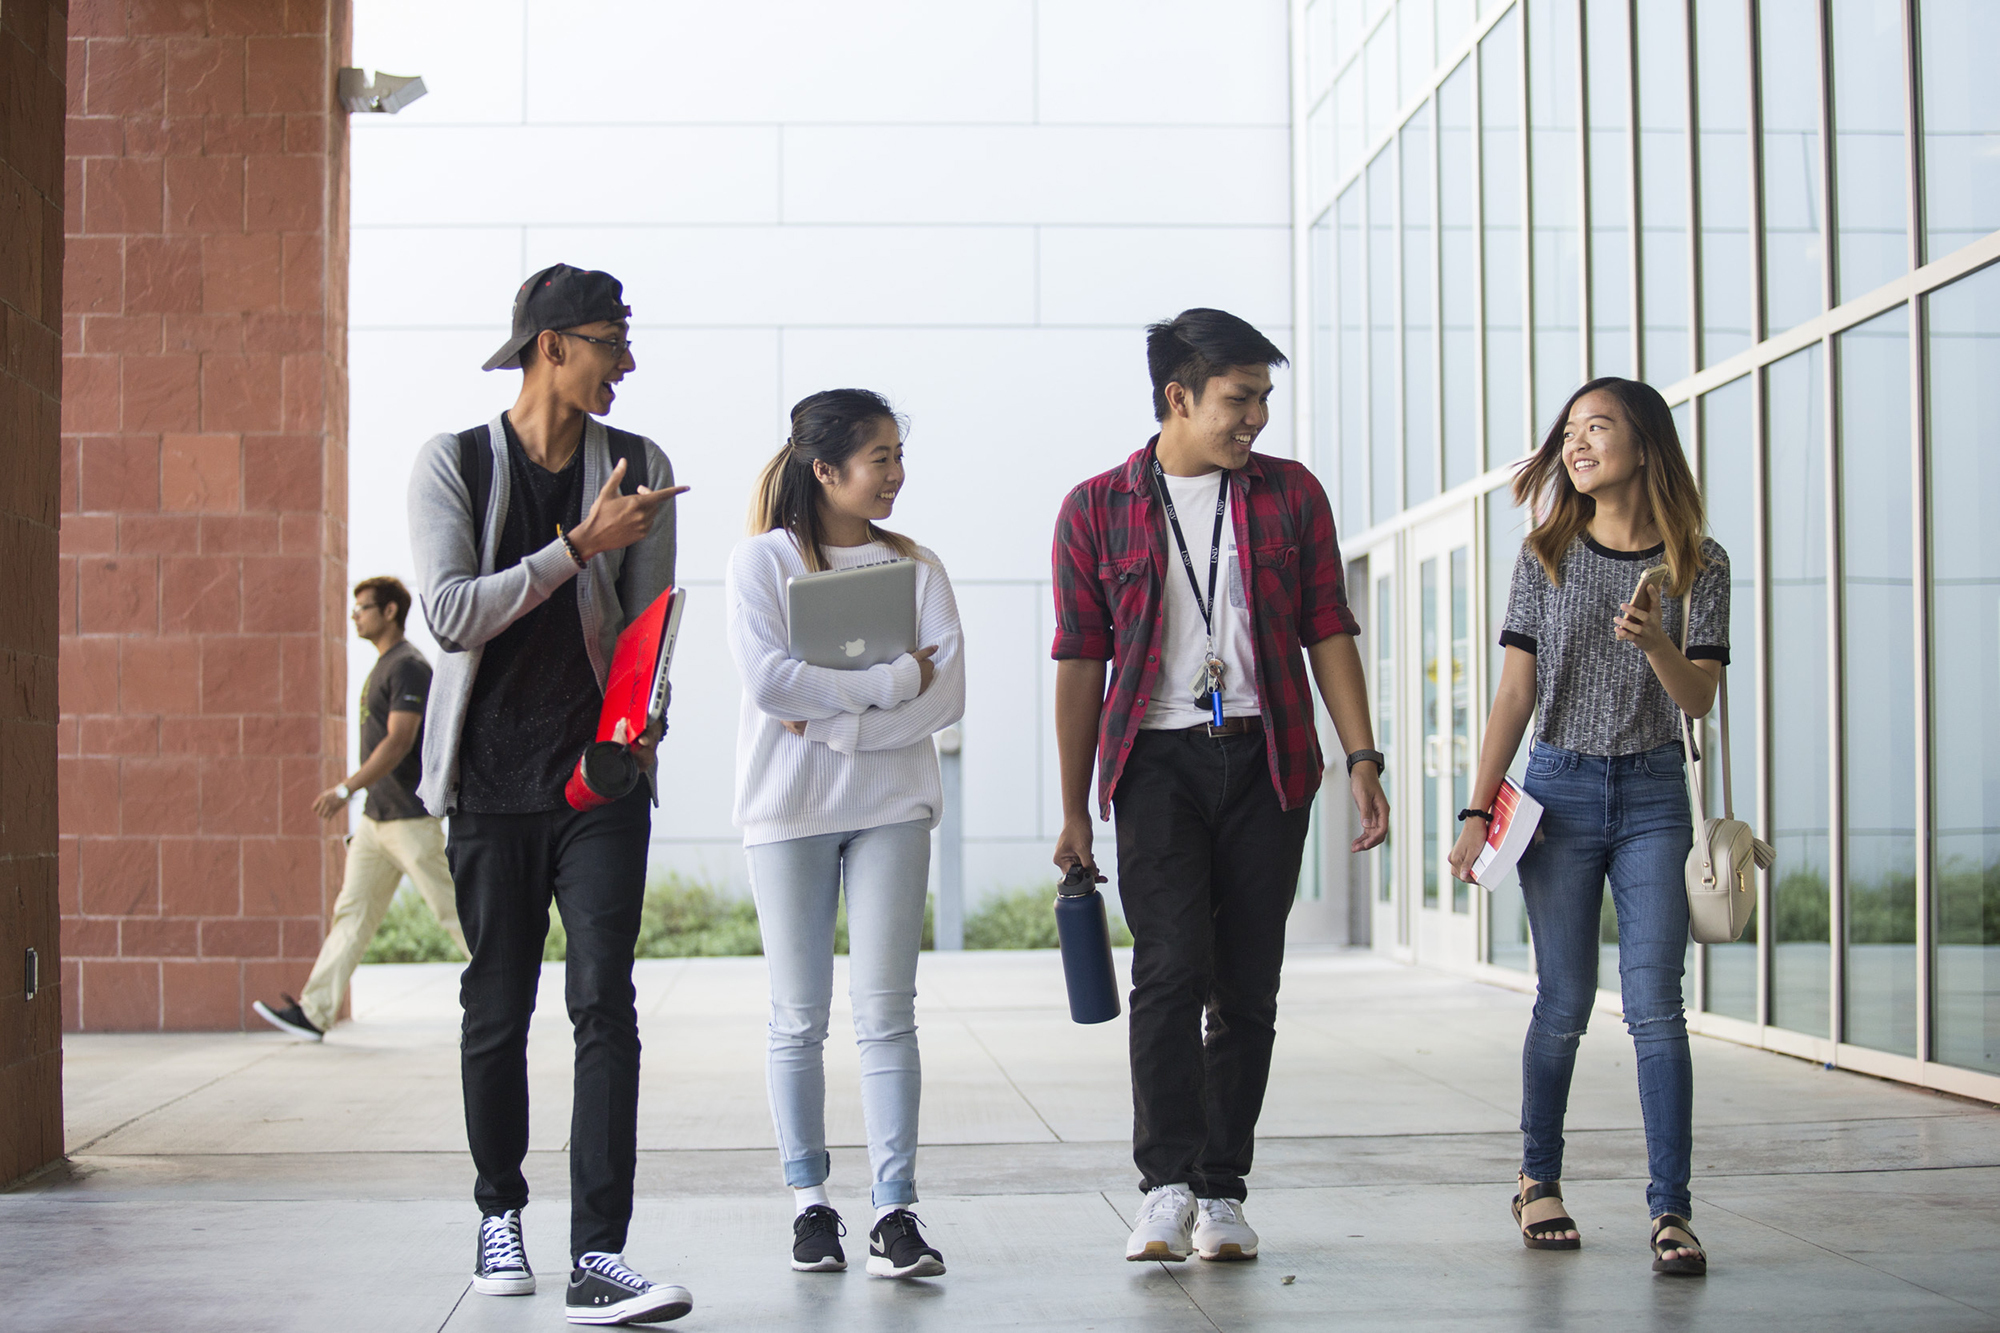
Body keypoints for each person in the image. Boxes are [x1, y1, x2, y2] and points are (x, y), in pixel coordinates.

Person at [1049, 309, 1390, 1264]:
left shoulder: (1291, 497)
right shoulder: (1096, 508)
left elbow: (1328, 628)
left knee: (1247, 984)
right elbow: (1080, 662)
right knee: (1166, 971)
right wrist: (1075, 805)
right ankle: (1162, 1186)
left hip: (1270, 756)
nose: (1257, 420)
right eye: (1240, 400)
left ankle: (1222, 1188)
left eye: (1265, 399)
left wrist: (1362, 755)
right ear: (1179, 397)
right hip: (1153, 762)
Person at [408, 263, 695, 1325]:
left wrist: (646, 717)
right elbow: (447, 614)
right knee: (497, 1005)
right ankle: (498, 1212)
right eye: (610, 339)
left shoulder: (638, 462)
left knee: (602, 1001)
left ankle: (600, 1252)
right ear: (549, 346)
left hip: (597, 779)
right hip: (486, 781)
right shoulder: (453, 464)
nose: (626, 359)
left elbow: (650, 620)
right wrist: (577, 548)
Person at [1447, 376, 1726, 1278]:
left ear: (1645, 444)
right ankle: (1539, 1179)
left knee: (1656, 1007)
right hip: (1557, 792)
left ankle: (1672, 1207)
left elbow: (1701, 700)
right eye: (1569, 430)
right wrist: (1476, 808)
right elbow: (1514, 696)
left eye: (1596, 427)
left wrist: (1654, 642)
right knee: (1562, 1004)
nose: (1576, 443)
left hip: (1652, 796)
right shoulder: (1545, 554)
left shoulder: (1698, 565)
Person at [724, 389, 964, 1281]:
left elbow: (948, 695)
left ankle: (895, 1209)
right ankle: (809, 1205)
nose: (897, 474)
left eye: (900, 455)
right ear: (825, 470)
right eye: (881, 458)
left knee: (886, 1014)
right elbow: (770, 683)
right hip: (786, 810)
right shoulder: (761, 564)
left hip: (893, 805)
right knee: (797, 1016)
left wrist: (844, 721)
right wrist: (895, 676)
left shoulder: (920, 566)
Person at [253, 576, 465, 1041]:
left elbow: (399, 740)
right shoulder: (384, 665)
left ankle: (505, 987)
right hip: (377, 820)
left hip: (410, 817)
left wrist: (345, 789)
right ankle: (315, 1011)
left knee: (454, 912)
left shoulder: (408, 666)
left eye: (362, 607)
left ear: (389, 611)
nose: (355, 615)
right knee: (351, 914)